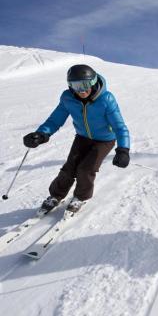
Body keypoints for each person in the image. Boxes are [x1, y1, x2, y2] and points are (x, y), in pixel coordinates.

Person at [23, 64, 130, 212]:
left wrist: (123, 149)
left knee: (86, 169)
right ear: (70, 85)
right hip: (82, 137)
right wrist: (41, 134)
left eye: (85, 84)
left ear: (92, 82)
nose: (81, 90)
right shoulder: (68, 98)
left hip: (105, 140)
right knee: (70, 167)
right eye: (76, 85)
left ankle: (80, 197)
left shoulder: (106, 99)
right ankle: (56, 195)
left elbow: (120, 127)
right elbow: (55, 119)